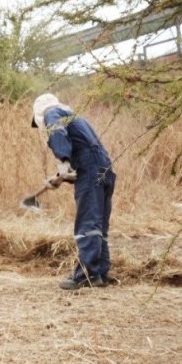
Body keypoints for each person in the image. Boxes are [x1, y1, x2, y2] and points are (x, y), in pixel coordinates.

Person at [32, 93, 117, 290]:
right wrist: (64, 177)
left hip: (91, 169)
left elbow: (57, 133)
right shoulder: (74, 116)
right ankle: (99, 274)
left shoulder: (51, 112)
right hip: (103, 168)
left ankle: (86, 275)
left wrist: (62, 162)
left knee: (88, 223)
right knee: (98, 226)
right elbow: (89, 160)